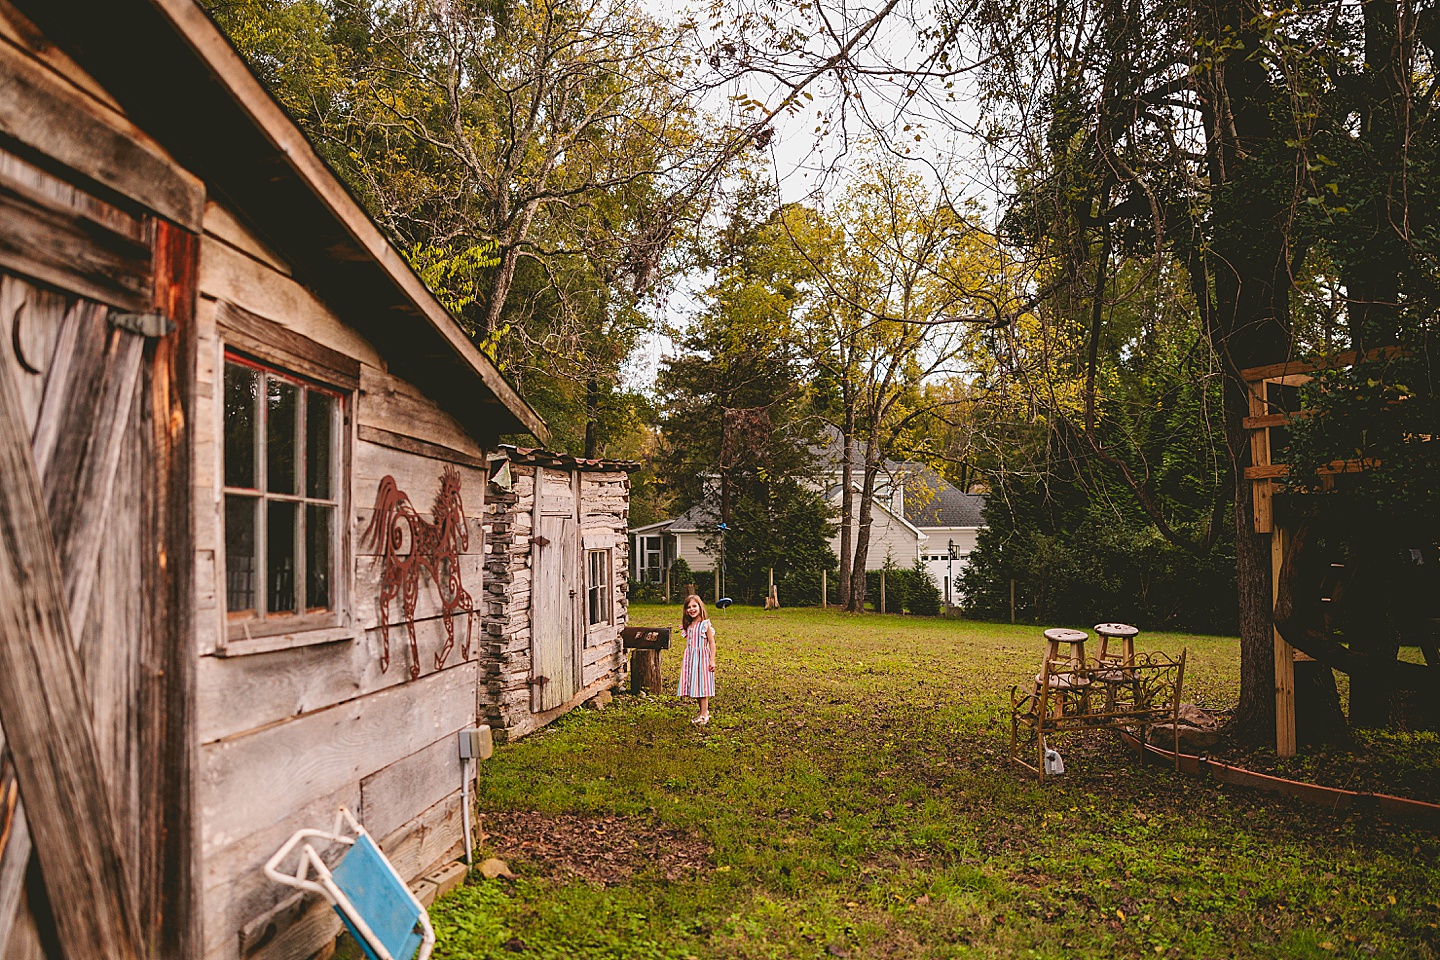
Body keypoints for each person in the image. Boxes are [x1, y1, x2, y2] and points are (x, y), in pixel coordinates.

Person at [677, 594, 715, 724]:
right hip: (691, 659)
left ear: (700, 607)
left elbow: (712, 643)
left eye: (694, 606)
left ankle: (704, 714)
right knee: (695, 687)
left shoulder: (705, 625)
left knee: (702, 687)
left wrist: (712, 660)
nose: (691, 609)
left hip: (702, 659)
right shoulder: (689, 626)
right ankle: (702, 711)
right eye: (688, 607)